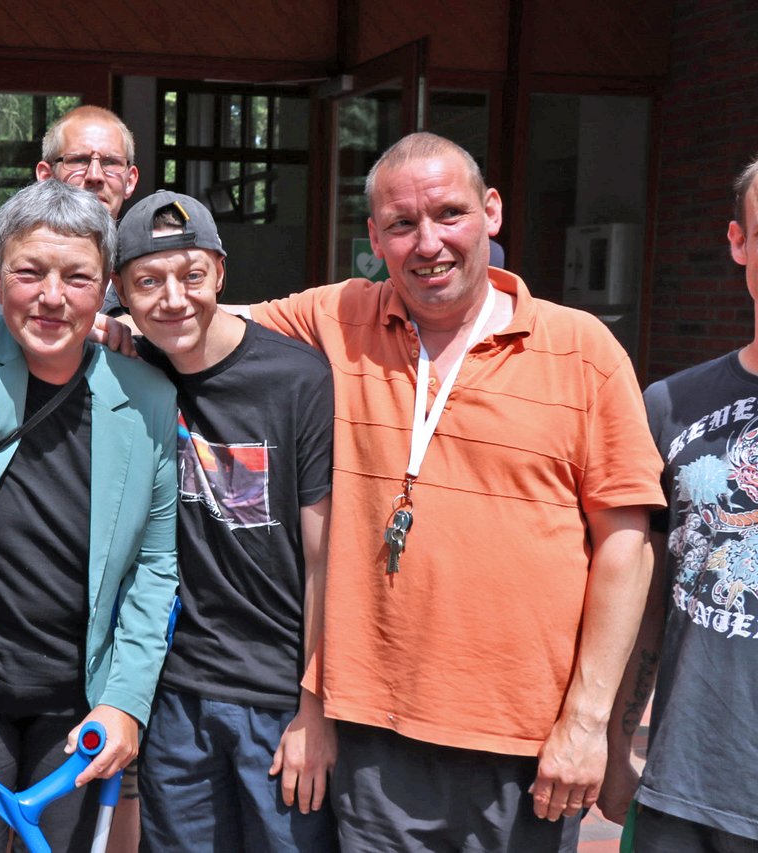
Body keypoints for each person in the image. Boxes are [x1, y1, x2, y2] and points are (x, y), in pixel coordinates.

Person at [244, 132, 664, 852]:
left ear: (491, 211)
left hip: (527, 743)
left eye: (448, 214)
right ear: (374, 236)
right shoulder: (342, 317)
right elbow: (200, 328)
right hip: (377, 734)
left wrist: (590, 721)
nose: (428, 242)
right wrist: (88, 325)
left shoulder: (582, 350)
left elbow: (627, 546)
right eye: (403, 224)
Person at [0, 179, 179, 852]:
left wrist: (128, 699)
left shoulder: (146, 396)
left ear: (105, 286)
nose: (52, 296)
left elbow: (156, 566)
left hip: (81, 703)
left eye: (77, 277)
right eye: (29, 271)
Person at [111, 190, 338, 851]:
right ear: (121, 290)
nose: (173, 298)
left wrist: (315, 708)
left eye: (192, 275)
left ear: (220, 273)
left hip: (277, 697)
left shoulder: (296, 379)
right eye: (148, 281)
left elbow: (325, 559)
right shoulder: (130, 369)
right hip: (173, 693)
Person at [599, 156, 758, 852]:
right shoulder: (670, 405)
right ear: (738, 242)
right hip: (685, 784)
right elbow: (646, 593)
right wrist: (611, 738)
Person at [0, 105, 139, 314]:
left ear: (130, 180)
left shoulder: (153, 285)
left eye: (110, 162)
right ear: (46, 175)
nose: (95, 175)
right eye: (79, 160)